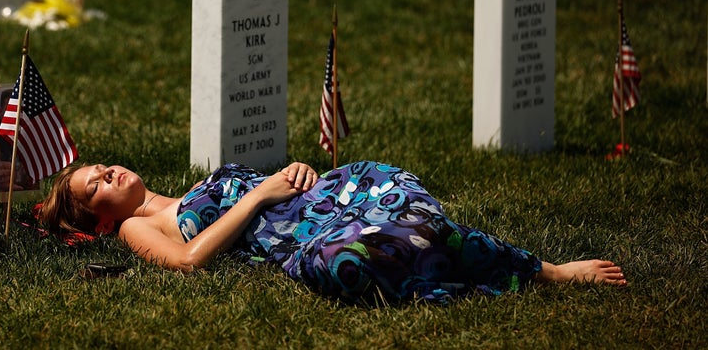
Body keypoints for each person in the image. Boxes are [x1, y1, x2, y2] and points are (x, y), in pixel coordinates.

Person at [38, 159, 627, 304]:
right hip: (297, 239)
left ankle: (535, 266)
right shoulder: (135, 234)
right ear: (104, 220)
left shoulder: (182, 189)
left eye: (101, 166)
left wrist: (290, 176)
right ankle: (543, 272)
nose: (108, 173)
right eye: (96, 187)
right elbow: (191, 261)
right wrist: (261, 194)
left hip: (320, 198)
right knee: (384, 246)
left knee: (402, 200)